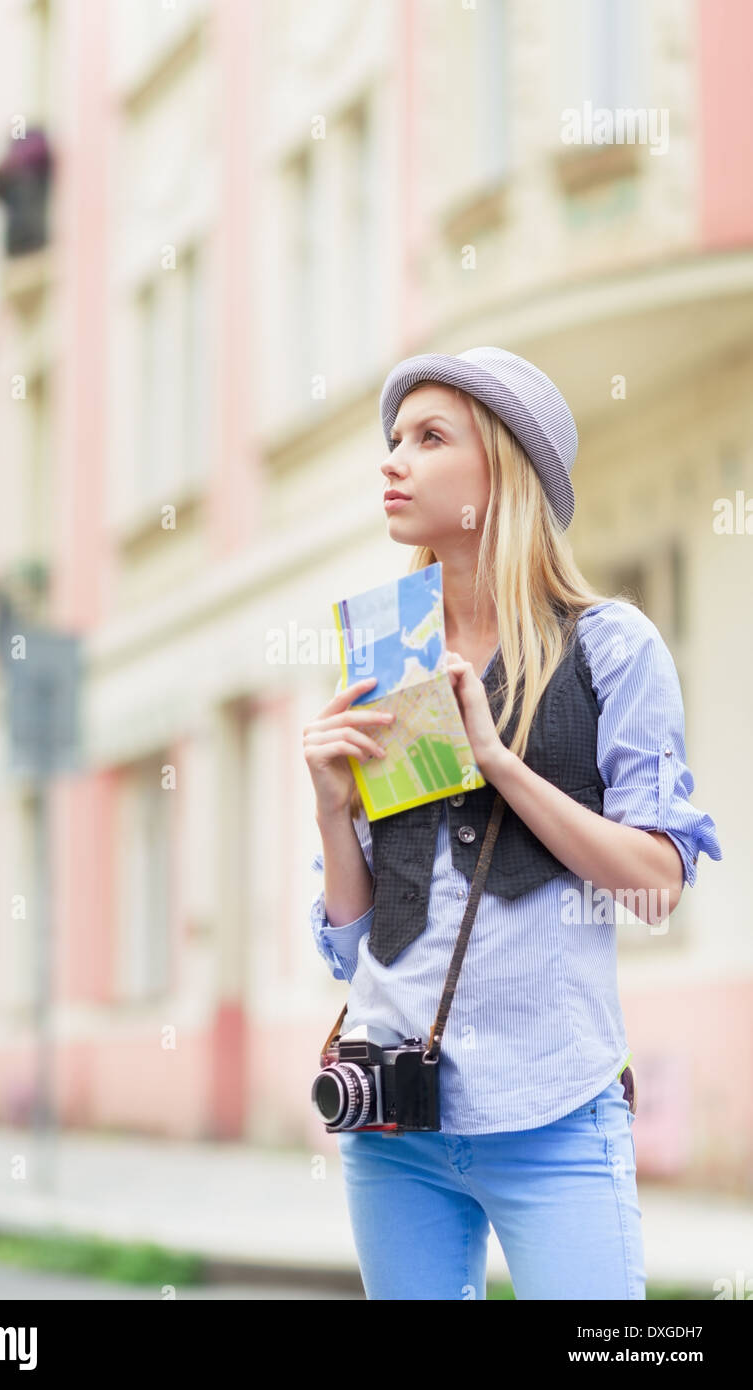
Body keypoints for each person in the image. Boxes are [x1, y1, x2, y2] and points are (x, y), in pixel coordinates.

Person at [302, 347, 722, 1301]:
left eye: (429, 438)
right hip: (392, 1120)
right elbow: (352, 943)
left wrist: (497, 762)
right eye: (393, 439)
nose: (392, 460)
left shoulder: (610, 647)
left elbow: (655, 884)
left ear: (502, 473)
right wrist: (333, 813)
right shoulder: (389, 650)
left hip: (554, 1115)